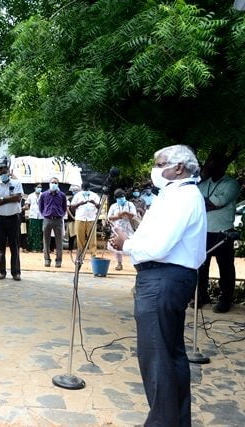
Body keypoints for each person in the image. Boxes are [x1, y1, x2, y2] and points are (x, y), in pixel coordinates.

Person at [110, 144, 206, 427]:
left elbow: (159, 246)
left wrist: (125, 244)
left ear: (179, 167)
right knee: (170, 356)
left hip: (163, 278)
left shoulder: (182, 197)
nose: (154, 169)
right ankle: (175, 421)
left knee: (157, 360)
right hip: (167, 278)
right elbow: (157, 237)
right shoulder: (175, 195)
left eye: (160, 163)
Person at [197, 154, 240, 313]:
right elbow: (196, 203)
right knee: (201, 266)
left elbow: (217, 203)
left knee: (226, 267)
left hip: (223, 232)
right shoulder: (203, 184)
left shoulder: (231, 184)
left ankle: (225, 299)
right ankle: (202, 296)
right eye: (209, 164)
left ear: (223, 167)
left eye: (215, 164)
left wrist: (204, 203)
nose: (210, 167)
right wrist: (204, 203)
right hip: (204, 232)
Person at [0, 157, 23, 280]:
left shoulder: (16, 183)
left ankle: (16, 272)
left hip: (14, 218)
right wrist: (9, 198)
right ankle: (1, 271)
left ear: (8, 171)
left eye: (4, 171)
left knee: (15, 247)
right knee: (0, 247)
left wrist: (2, 199)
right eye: (0, 172)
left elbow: (18, 198)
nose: (3, 174)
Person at [38, 177, 67, 268]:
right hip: (47, 219)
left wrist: (61, 214)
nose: (53, 184)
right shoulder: (44, 195)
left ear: (58, 184)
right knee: (46, 241)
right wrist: (44, 214)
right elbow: (40, 206)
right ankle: (47, 259)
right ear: (49, 183)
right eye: (52, 182)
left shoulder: (62, 195)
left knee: (59, 242)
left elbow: (64, 207)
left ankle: (58, 260)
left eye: (55, 182)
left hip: (58, 220)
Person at [106, 189, 137, 271]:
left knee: (132, 246)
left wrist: (126, 213)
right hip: (116, 228)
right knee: (115, 246)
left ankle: (136, 263)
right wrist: (118, 216)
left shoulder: (130, 204)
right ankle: (119, 263)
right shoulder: (113, 206)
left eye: (122, 197)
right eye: (118, 198)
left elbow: (134, 216)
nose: (120, 199)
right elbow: (109, 217)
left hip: (127, 228)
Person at [70, 182, 100, 257]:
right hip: (80, 218)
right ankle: (81, 254)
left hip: (91, 218)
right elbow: (72, 207)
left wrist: (94, 203)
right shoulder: (78, 195)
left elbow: (100, 206)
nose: (86, 190)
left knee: (92, 237)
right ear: (82, 188)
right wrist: (79, 204)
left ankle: (93, 254)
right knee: (80, 237)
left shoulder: (94, 195)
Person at [23, 184, 44, 252]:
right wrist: (23, 209)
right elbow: (27, 205)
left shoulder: (43, 195)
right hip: (33, 216)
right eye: (38, 187)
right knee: (32, 232)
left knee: (40, 232)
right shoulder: (30, 195)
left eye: (40, 187)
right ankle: (31, 248)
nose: (39, 188)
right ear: (34, 188)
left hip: (41, 216)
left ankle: (39, 248)